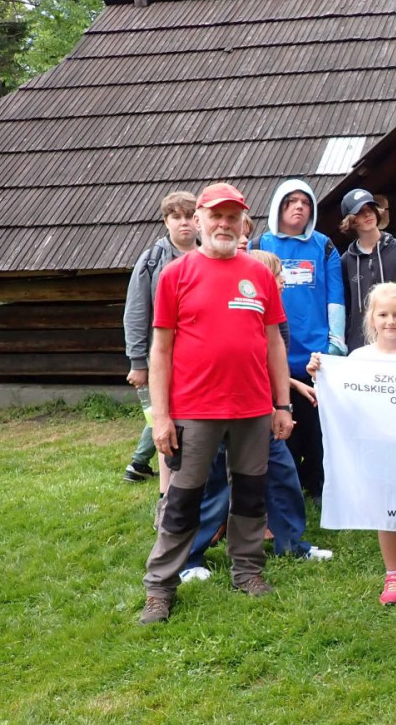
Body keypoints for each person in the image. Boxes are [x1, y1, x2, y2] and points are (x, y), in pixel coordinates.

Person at [139, 182, 292, 624]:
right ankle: (160, 588)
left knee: (250, 494)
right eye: (216, 216)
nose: (223, 224)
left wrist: (281, 405)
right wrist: (162, 416)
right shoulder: (176, 274)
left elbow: (274, 345)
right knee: (183, 500)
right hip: (193, 410)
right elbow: (161, 350)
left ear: (243, 223)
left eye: (232, 217)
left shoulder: (260, 274)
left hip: (252, 408)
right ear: (200, 221)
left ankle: (248, 571)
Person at [178, 249, 332, 584]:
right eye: (276, 275)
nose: (281, 281)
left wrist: (284, 402)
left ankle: (292, 544)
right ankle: (191, 558)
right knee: (216, 484)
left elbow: (269, 363)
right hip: (219, 410)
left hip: (260, 411)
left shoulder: (275, 317)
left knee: (282, 476)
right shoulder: (234, 313)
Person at [308, 283, 396, 605]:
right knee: (384, 512)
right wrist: (320, 375)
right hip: (376, 452)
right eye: (384, 314)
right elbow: (342, 397)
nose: (391, 321)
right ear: (371, 319)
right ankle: (393, 575)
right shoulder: (359, 358)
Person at [253, 179, 346, 504]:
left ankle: (318, 485)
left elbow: (336, 297)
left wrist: (333, 347)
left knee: (317, 430)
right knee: (282, 431)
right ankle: (284, 488)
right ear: (278, 206)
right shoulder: (259, 246)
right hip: (273, 357)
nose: (298, 207)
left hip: (316, 356)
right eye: (291, 201)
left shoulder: (325, 246)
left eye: (304, 202)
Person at [123, 191, 198, 488]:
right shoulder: (153, 260)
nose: (184, 224)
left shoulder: (212, 255)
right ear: (166, 221)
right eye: (176, 217)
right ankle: (167, 496)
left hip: (204, 358)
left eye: (190, 217)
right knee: (165, 420)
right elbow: (137, 311)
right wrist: (138, 362)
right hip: (166, 356)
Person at [339, 188, 396, 352]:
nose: (368, 215)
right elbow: (345, 308)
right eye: (360, 212)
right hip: (361, 349)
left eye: (370, 209)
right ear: (351, 220)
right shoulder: (346, 261)